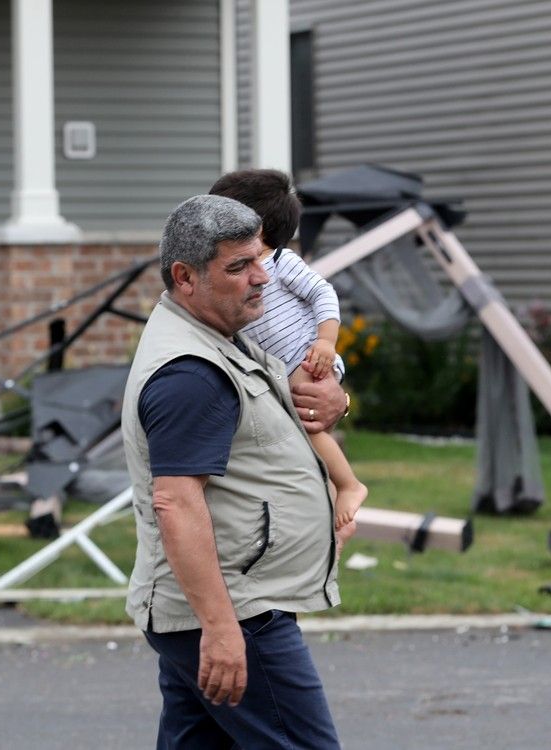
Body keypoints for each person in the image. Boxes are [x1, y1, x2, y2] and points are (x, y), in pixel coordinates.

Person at [122, 195, 355, 749]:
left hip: (224, 607)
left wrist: (337, 403)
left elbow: (292, 408)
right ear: (185, 277)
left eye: (261, 260)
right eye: (238, 267)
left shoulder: (224, 334)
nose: (261, 279)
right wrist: (223, 631)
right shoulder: (190, 373)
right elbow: (176, 502)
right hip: (238, 612)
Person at [210, 168, 368, 530]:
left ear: (256, 228)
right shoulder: (229, 273)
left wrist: (326, 341)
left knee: (309, 429)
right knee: (301, 439)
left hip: (304, 357)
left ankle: (349, 485)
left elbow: (323, 294)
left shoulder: (281, 263)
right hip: (279, 367)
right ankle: (331, 503)